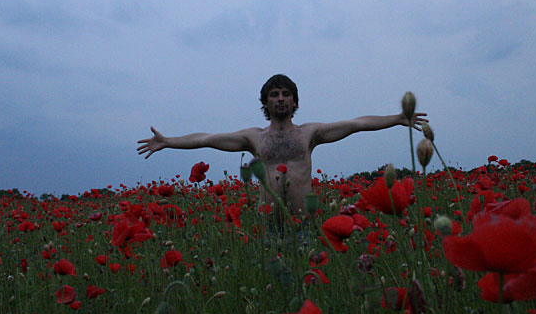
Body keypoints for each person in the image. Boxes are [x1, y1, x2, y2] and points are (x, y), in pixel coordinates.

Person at [136, 74, 428, 216]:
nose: (280, 99)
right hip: (269, 224)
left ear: (295, 101)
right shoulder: (254, 137)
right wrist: (168, 141)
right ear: (265, 103)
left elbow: (357, 123)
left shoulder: (310, 133)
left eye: (286, 94)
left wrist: (397, 118)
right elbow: (206, 139)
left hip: (304, 222)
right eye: (274, 94)